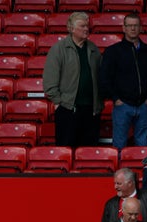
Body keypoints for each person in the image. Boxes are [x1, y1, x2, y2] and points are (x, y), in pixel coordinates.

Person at [99, 12, 147, 149]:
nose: (133, 29)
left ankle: (143, 170)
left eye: (136, 25)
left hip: (144, 105)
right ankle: (120, 171)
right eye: (129, 25)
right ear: (124, 28)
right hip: (122, 105)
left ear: (141, 28)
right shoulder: (113, 51)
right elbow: (104, 78)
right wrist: (116, 99)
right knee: (119, 145)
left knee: (143, 146)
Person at [42, 12, 102, 148]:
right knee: (65, 151)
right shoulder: (58, 49)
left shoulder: (93, 49)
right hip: (67, 109)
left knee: (88, 153)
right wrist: (58, 102)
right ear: (71, 28)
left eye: (87, 25)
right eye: (82, 26)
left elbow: (100, 76)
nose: (86, 29)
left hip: (91, 111)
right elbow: (49, 80)